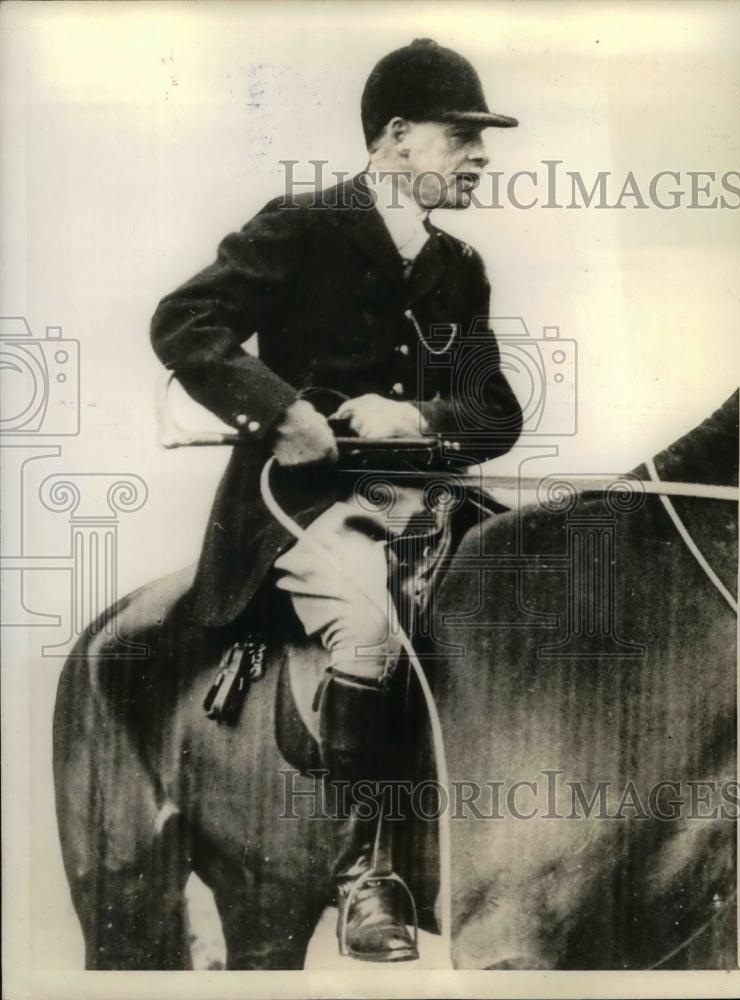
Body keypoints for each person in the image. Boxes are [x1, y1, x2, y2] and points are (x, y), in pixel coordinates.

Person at [151, 38, 523, 962]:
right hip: (301, 505)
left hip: (427, 502)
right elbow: (183, 323)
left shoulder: (460, 267)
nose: (480, 157)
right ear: (396, 139)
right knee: (367, 622)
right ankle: (364, 875)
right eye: (461, 137)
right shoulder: (301, 225)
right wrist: (280, 412)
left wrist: (414, 414)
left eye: (482, 142)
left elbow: (494, 411)